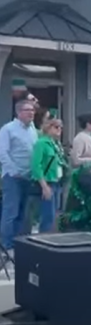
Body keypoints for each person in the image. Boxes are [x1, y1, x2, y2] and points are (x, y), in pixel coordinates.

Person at [0, 100, 39, 253]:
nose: (32, 113)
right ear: (19, 112)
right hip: (13, 178)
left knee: (24, 212)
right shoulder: (8, 129)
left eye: (33, 110)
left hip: (29, 176)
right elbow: (3, 152)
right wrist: (12, 170)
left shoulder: (33, 130)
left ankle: (18, 243)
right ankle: (6, 245)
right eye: (28, 110)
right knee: (11, 212)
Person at [30, 119, 67, 233]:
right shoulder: (41, 143)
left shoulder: (56, 144)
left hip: (57, 180)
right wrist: (44, 186)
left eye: (61, 128)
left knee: (55, 212)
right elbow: (36, 165)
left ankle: (49, 235)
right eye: (56, 127)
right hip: (47, 181)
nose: (59, 130)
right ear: (48, 128)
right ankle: (44, 237)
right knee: (48, 214)